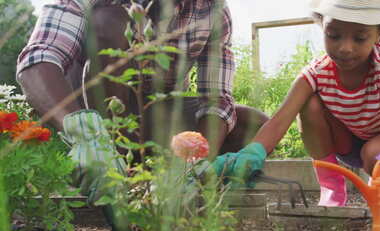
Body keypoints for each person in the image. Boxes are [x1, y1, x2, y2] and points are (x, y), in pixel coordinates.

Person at [16, 0, 269, 204]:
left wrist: (195, 162)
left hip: (155, 117)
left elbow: (216, 99)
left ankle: (175, 182)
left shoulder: (211, 9)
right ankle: (109, 176)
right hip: (89, 112)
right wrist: (84, 133)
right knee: (109, 21)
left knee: (254, 127)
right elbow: (38, 59)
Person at [215, 0, 380, 207]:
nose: (345, 48)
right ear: (322, 26)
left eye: (360, 38)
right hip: (343, 142)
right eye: (333, 35)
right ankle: (332, 187)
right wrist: (253, 151)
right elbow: (280, 120)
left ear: (378, 34)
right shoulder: (317, 72)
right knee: (309, 103)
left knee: (373, 151)